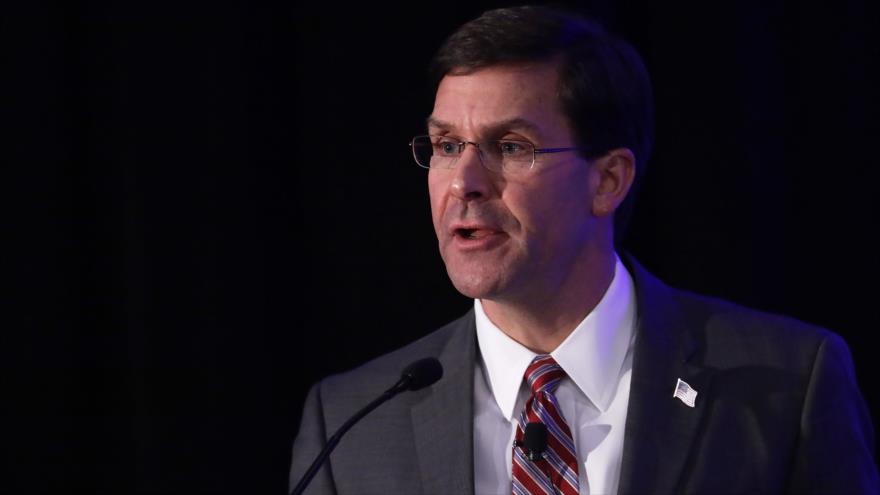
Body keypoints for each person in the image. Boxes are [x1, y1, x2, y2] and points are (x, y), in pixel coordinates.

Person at [289, 6, 878, 494]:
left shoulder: (788, 387)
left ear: (608, 181)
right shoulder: (350, 424)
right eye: (446, 146)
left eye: (511, 146)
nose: (463, 181)